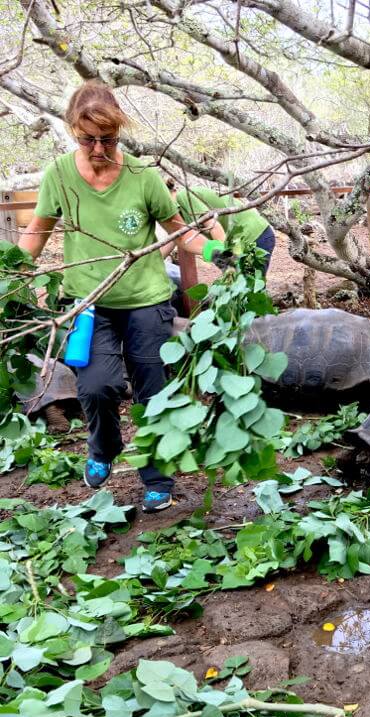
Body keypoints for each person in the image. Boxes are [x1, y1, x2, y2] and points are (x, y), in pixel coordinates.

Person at [18, 81, 220, 513]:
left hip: (146, 301)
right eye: (87, 139)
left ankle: (157, 478)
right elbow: (36, 233)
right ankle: (103, 448)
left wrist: (213, 249)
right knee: (96, 386)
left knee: (152, 391)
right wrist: (10, 275)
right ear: (74, 131)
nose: (97, 149)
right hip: (89, 303)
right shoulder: (59, 175)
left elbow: (178, 231)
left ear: (118, 133)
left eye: (106, 140)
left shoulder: (142, 177)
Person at [165, 180, 275, 273]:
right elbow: (174, 239)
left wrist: (229, 263)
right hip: (235, 242)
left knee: (249, 288)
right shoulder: (175, 213)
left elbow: (214, 226)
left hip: (253, 235)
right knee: (237, 287)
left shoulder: (184, 196)